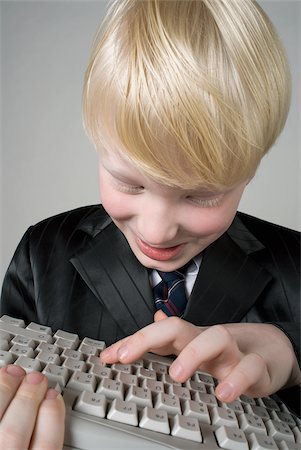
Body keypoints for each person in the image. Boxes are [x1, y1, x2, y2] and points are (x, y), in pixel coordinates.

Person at [0, 0, 300, 448]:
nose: (157, 232)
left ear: (250, 170)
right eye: (128, 183)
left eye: (201, 195)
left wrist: (294, 354)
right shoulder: (42, 253)